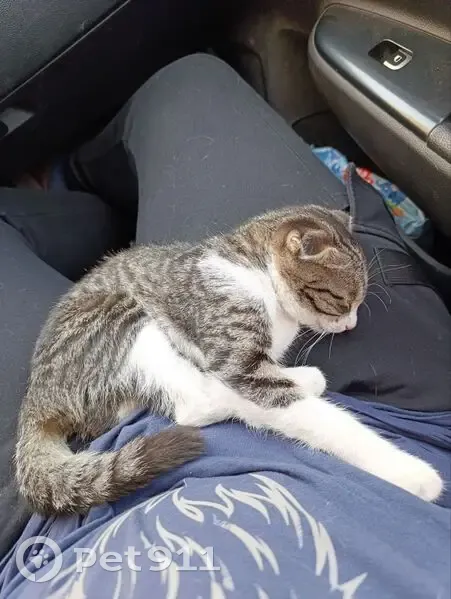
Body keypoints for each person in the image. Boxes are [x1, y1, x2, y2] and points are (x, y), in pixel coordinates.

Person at [0, 55, 450, 597]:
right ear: (292, 253)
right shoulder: (233, 287)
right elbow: (253, 386)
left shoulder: (265, 287)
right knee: (192, 78)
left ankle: (65, 186)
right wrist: (383, 462)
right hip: (103, 358)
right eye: (338, 304)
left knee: (190, 80)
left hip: (58, 537)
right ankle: (190, 397)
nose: (349, 322)